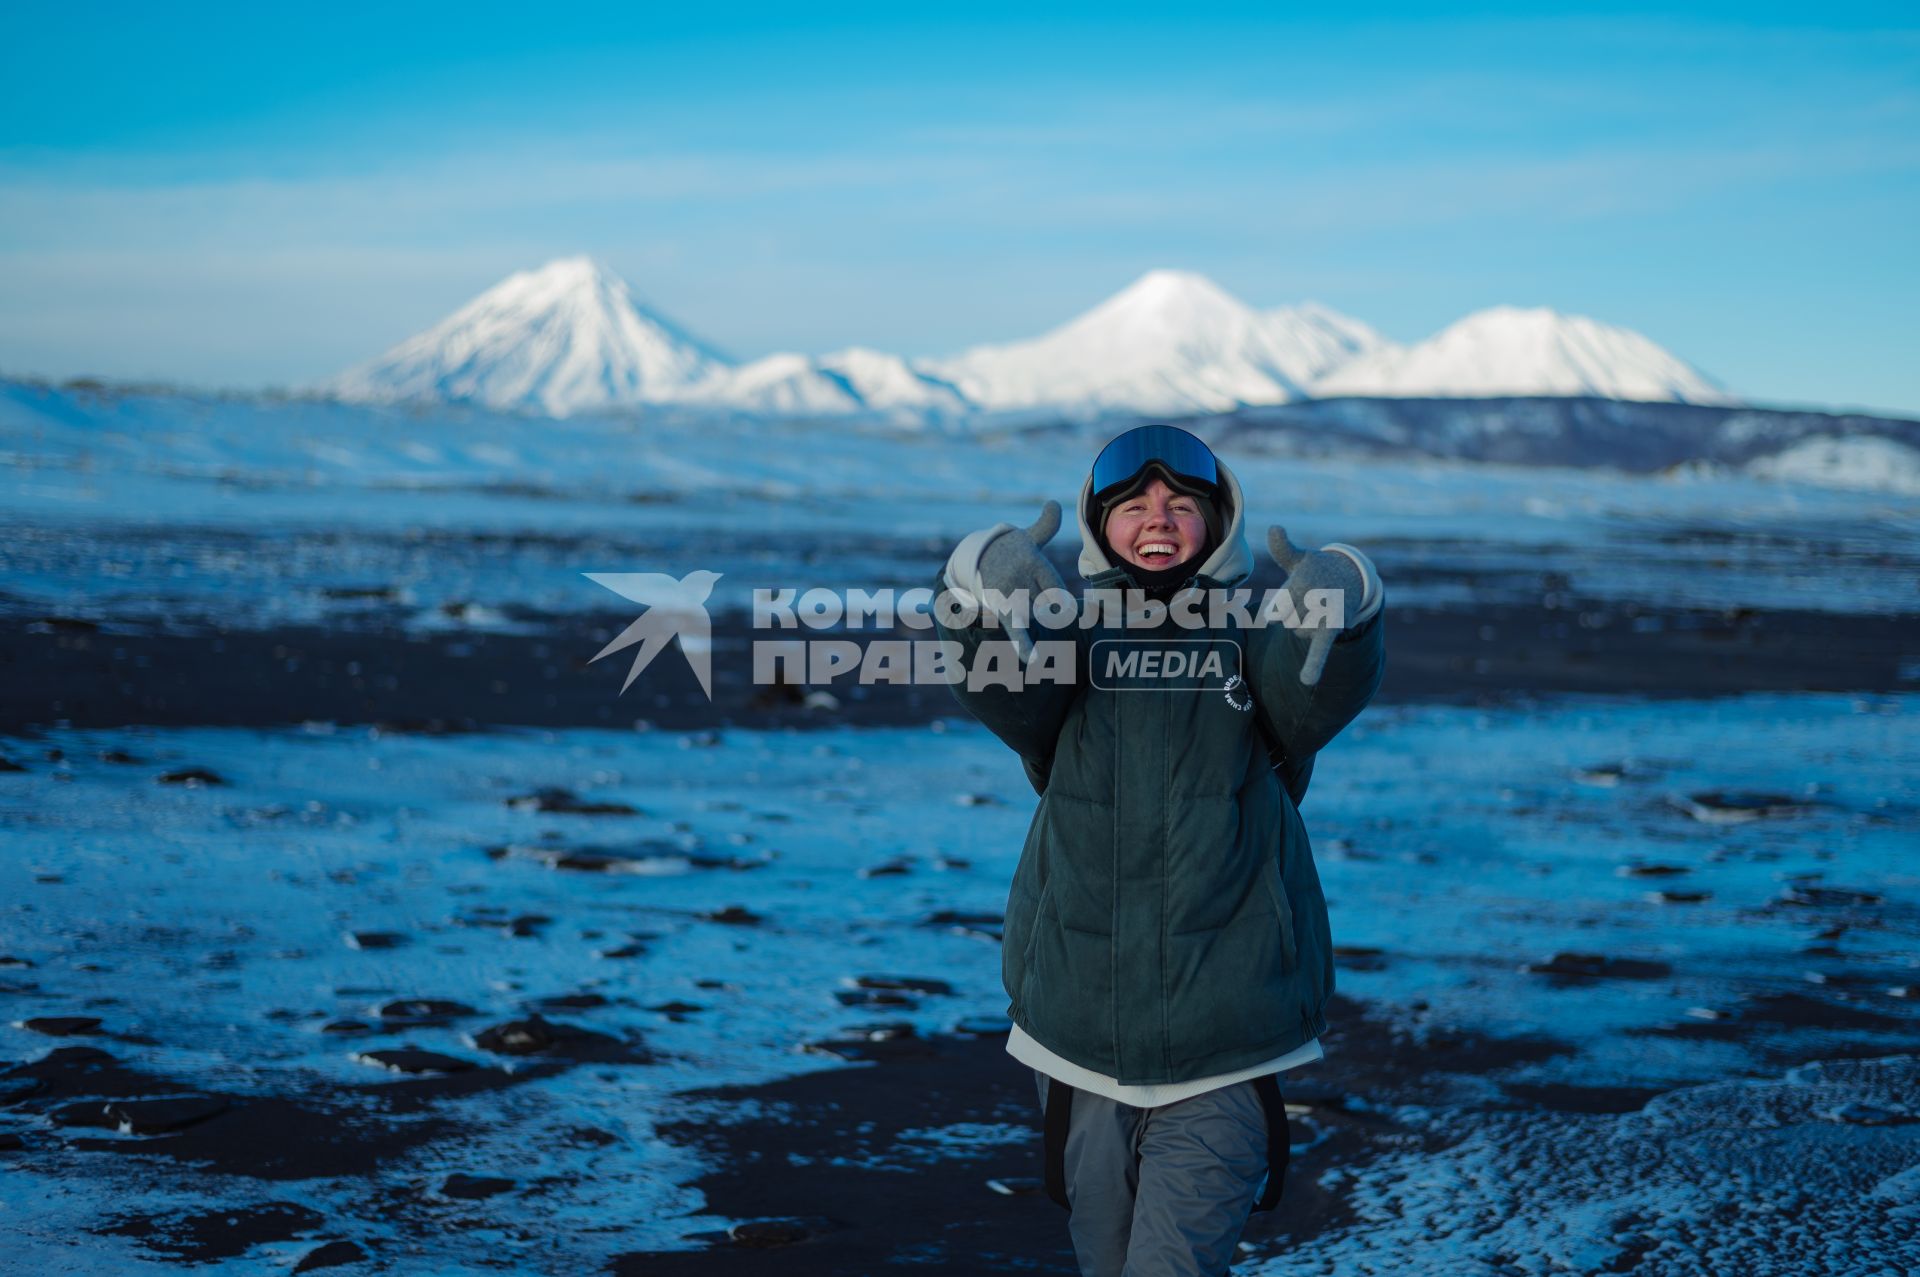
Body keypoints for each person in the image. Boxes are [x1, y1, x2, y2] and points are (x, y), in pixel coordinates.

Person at [934, 424, 1385, 1276]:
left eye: (1182, 503)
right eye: (1134, 503)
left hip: (1228, 1042)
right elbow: (1003, 683)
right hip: (1077, 1043)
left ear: (1218, 524)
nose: (1159, 516)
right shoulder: (1062, 638)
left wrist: (1347, 596)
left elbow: (1317, 677)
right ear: (1098, 525)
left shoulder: (1256, 638)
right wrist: (977, 585)